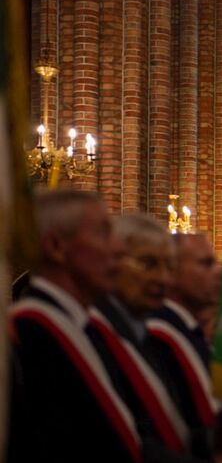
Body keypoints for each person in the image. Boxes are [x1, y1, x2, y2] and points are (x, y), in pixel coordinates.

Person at [8, 189, 141, 461]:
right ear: (56, 247)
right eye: (104, 232)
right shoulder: (29, 335)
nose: (121, 249)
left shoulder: (89, 329)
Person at [88, 213, 198, 461]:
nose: (163, 279)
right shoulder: (94, 334)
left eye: (170, 266)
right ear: (111, 262)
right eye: (149, 264)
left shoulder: (150, 334)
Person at [148, 231, 222, 457]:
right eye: (205, 264)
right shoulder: (162, 337)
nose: (219, 272)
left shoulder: (187, 331)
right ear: (170, 272)